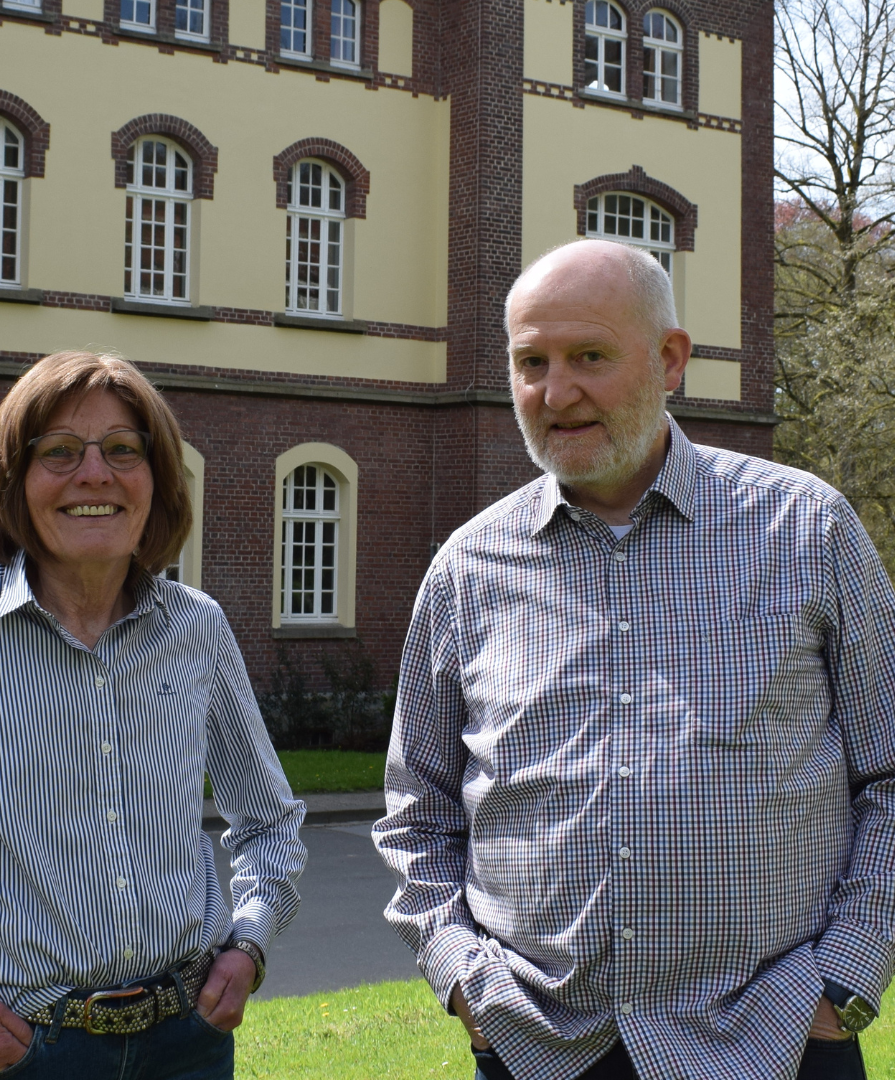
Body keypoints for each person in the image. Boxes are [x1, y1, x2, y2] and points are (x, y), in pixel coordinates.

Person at [372, 240, 895, 1080]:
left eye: (589, 357)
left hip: (775, 1042)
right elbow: (416, 810)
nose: (556, 392)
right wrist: (464, 981)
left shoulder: (807, 532)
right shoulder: (468, 569)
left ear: (671, 359)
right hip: (540, 1048)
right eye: (530, 362)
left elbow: (889, 773)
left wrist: (847, 980)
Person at [0, 351, 306, 1078]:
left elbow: (269, 822)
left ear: (157, 480)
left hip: (187, 1046)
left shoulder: (196, 627)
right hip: (11, 1052)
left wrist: (250, 942)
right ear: (14, 482)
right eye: (60, 452)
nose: (94, 475)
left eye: (122, 450)